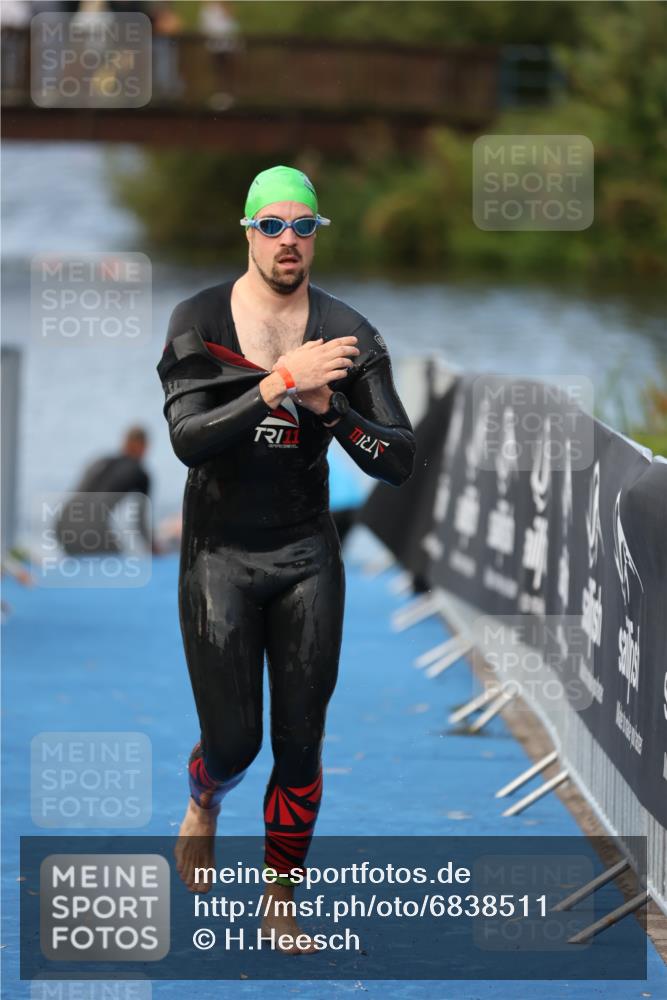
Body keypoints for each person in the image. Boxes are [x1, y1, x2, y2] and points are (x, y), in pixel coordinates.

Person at [158, 165, 415, 954]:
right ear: (247, 233)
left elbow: (399, 460)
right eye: (271, 226)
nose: (287, 242)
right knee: (235, 742)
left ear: (315, 237)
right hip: (219, 556)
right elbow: (186, 439)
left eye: (302, 227)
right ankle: (205, 797)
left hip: (306, 556)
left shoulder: (349, 335)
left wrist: (328, 405)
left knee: (300, 740)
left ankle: (279, 899)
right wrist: (277, 382)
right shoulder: (197, 320)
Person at [54, 425, 159, 556]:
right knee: (117, 566)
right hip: (91, 529)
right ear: (143, 447)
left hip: (62, 524)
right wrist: (156, 550)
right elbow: (140, 524)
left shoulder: (100, 461)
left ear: (124, 443)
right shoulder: (140, 474)